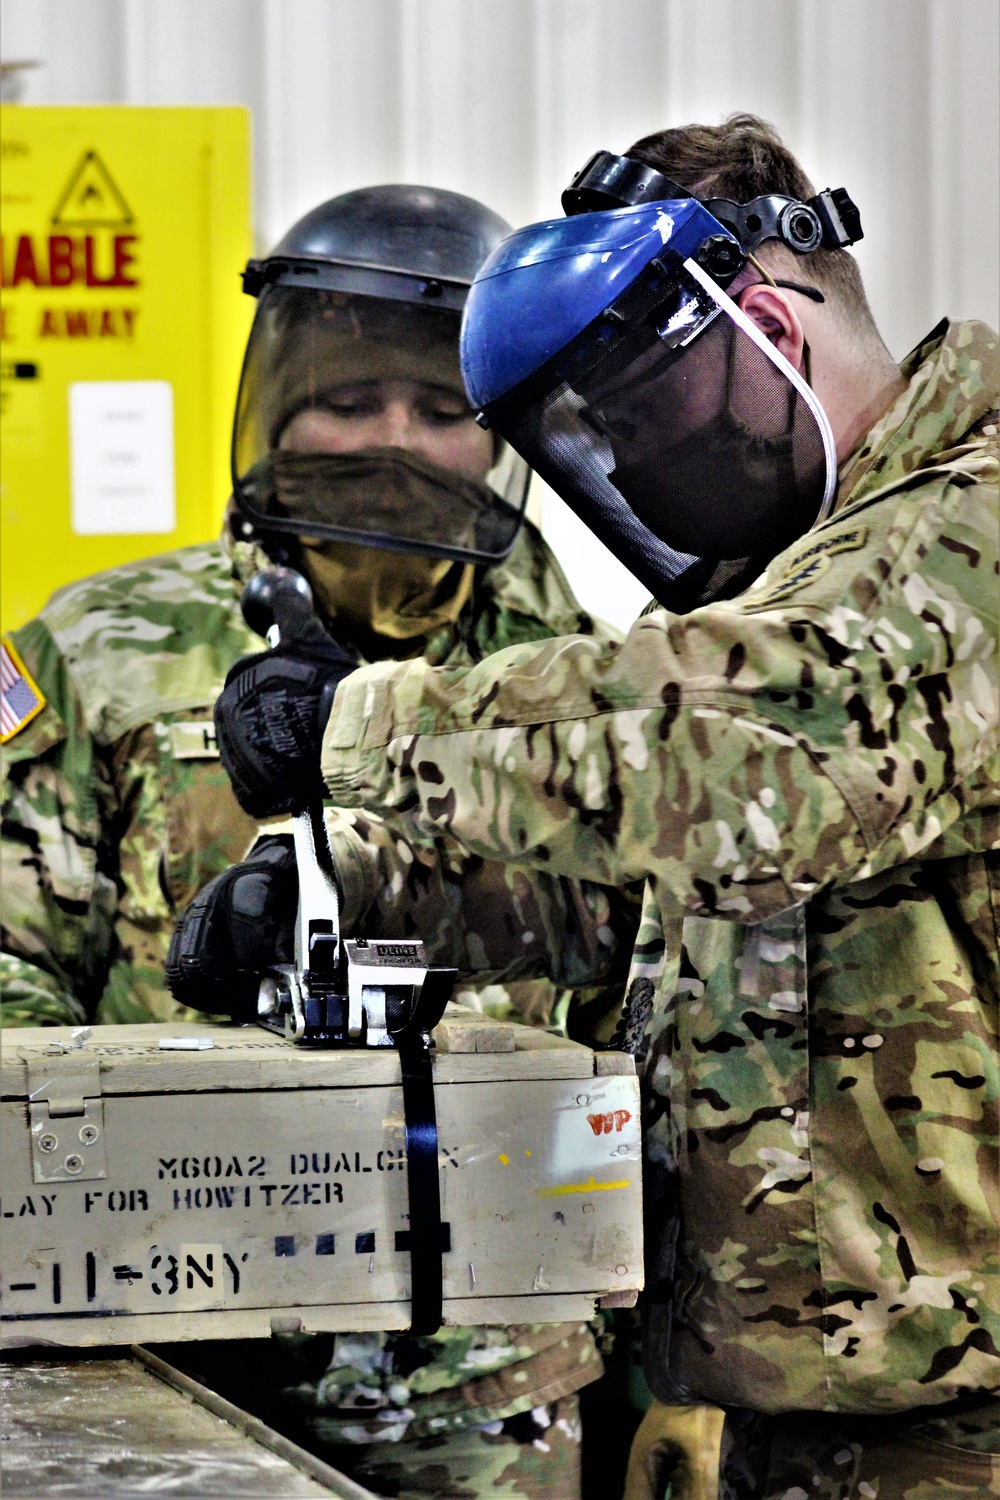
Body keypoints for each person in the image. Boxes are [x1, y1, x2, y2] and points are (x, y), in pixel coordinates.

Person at [195, 117, 999, 1497]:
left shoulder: (965, 530)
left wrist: (357, 723)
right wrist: (385, 895)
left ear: (761, 322)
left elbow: (756, 757)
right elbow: (669, 901)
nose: (622, 469)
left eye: (635, 416)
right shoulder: (811, 577)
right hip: (819, 1409)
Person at [1, 184, 637, 1500]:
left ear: (505, 434)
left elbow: (660, 1040)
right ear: (276, 409)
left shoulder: (595, 685)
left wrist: (671, 1372)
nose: (393, 442)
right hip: (174, 1358)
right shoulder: (100, 650)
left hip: (502, 1384)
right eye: (350, 402)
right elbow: (7, 956)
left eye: (444, 411)